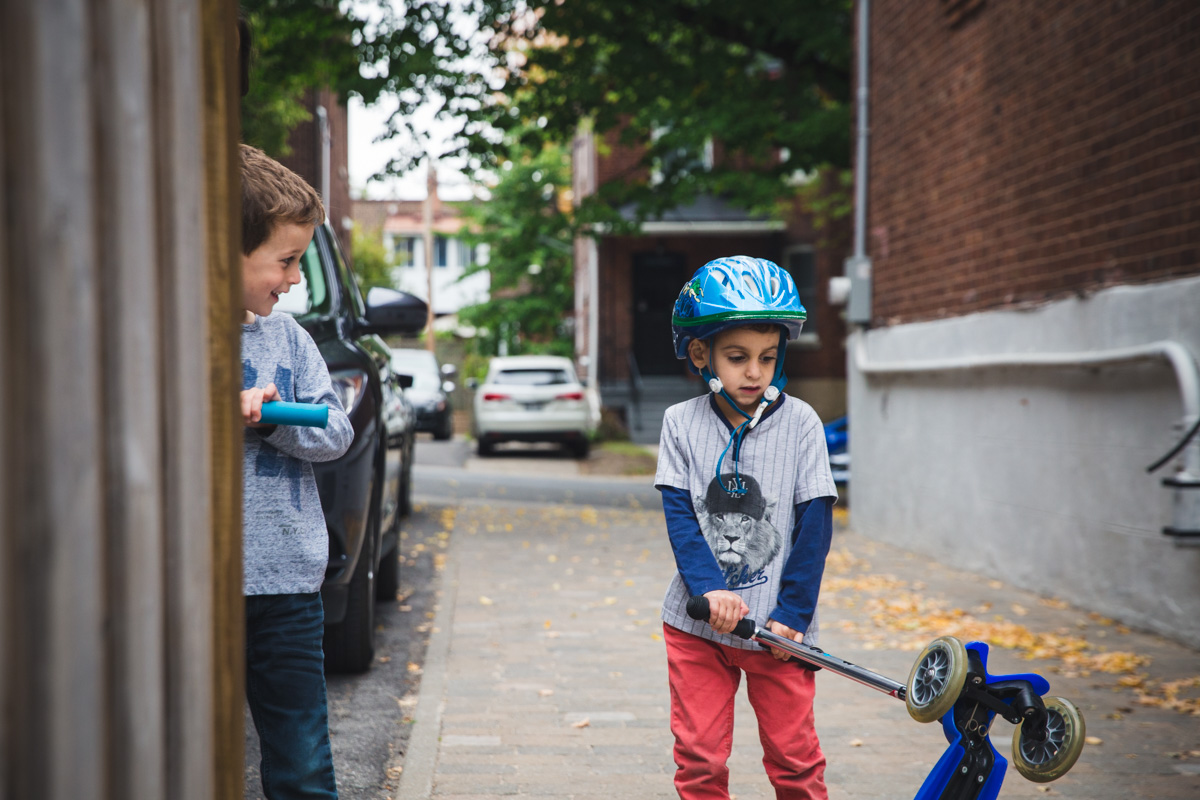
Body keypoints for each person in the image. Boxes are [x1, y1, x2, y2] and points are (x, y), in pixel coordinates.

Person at [656, 255, 838, 800]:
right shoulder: (680, 424)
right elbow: (681, 516)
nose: (754, 373)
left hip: (778, 633)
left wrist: (793, 615)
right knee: (701, 759)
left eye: (767, 357)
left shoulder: (802, 423)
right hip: (697, 628)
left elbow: (815, 525)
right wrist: (708, 587)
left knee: (795, 761)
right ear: (699, 353)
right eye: (737, 358)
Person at [239, 142, 354, 799]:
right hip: (198, 590)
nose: (294, 278)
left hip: (286, 585)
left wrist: (277, 417)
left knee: (302, 761)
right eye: (285, 260)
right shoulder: (171, 339)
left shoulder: (289, 341)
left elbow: (334, 430)